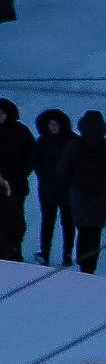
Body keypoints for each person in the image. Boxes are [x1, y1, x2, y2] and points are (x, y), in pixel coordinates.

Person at [63, 111, 106, 274]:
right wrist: (103, 174)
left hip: (78, 195)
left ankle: (81, 264)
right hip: (99, 196)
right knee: (94, 232)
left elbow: (62, 171)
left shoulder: (73, 146)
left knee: (82, 230)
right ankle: (90, 268)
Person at [30, 108, 75, 266]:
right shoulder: (42, 141)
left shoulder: (71, 141)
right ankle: (45, 253)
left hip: (68, 190)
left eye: (56, 124)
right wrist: (44, 176)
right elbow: (36, 162)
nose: (53, 127)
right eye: (50, 124)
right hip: (48, 189)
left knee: (68, 222)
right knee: (47, 222)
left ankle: (67, 254)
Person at [0, 99, 30, 261]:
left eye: (2, 113)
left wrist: (20, 172)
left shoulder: (21, 131)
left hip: (16, 183)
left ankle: (15, 249)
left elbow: (31, 156)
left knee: (15, 217)